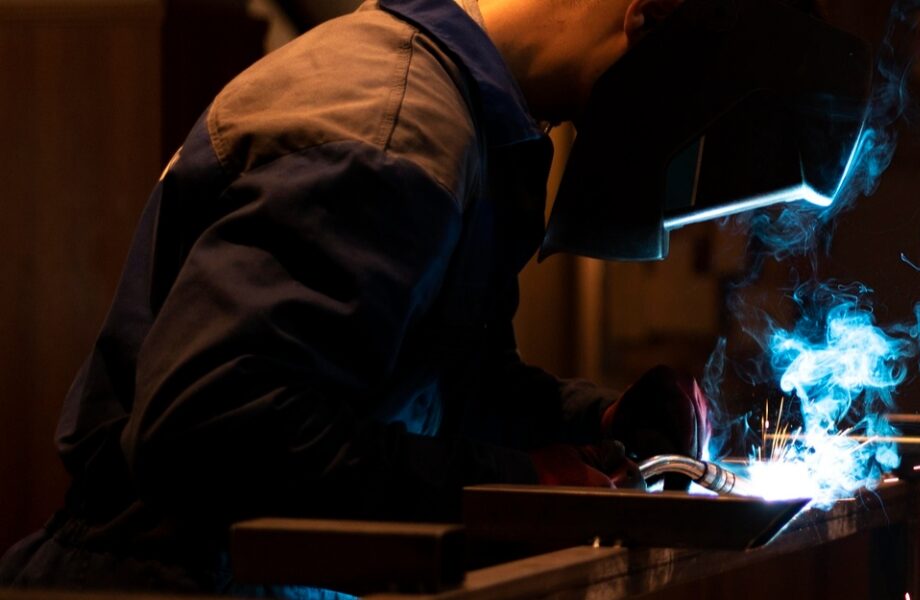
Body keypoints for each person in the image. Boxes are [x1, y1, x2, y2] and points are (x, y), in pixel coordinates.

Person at [0, 0, 711, 591]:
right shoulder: (395, 122)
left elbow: (438, 385)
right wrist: (515, 485)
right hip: (167, 578)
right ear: (643, 20)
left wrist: (595, 424)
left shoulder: (463, 118)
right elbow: (214, 430)